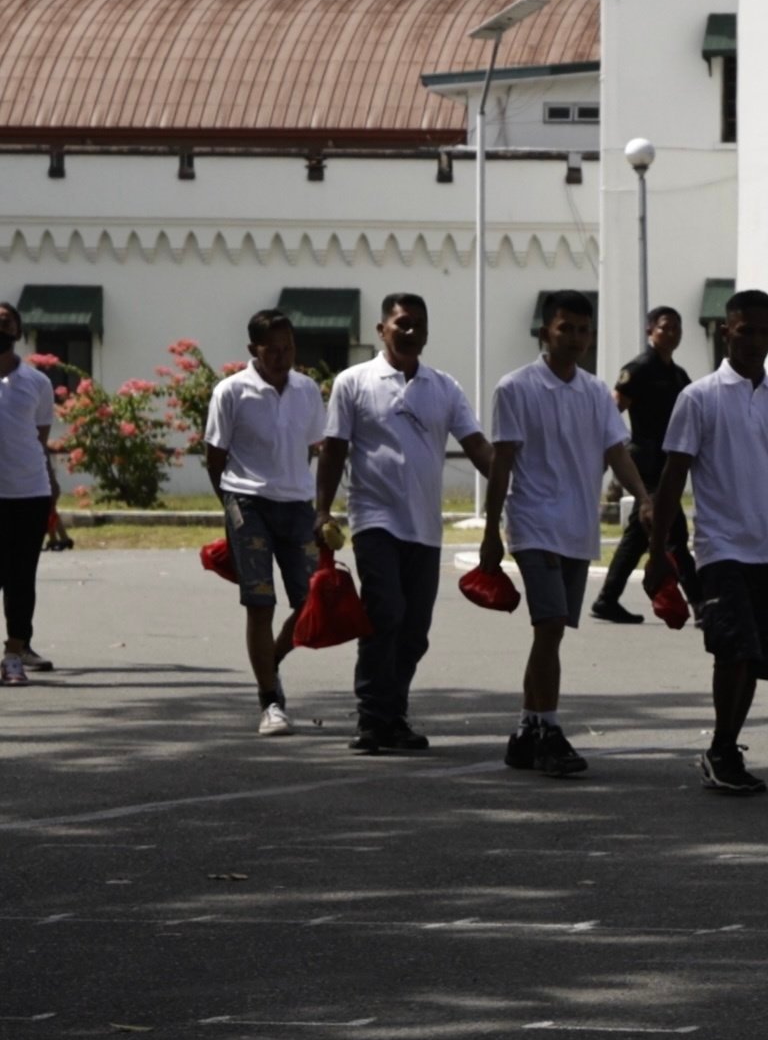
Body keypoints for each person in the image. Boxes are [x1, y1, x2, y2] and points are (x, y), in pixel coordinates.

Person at [650, 291, 768, 795]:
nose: (754, 341)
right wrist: (659, 553)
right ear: (727, 331)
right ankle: (721, 748)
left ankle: (725, 746)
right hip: (721, 550)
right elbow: (671, 479)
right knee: (734, 650)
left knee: (758, 656)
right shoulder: (698, 398)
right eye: (745, 331)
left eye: (764, 332)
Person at [476, 294, 647, 779]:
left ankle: (527, 729)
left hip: (577, 528)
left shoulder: (595, 392)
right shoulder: (515, 388)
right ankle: (549, 730)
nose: (574, 338)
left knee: (551, 635)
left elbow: (617, 451)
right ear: (544, 332)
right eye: (565, 328)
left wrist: (645, 497)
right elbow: (502, 464)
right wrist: (492, 532)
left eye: (582, 330)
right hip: (533, 525)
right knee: (548, 626)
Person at [316, 293, 492, 754]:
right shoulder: (354, 382)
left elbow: (479, 448)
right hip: (375, 518)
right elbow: (334, 448)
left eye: (419, 324)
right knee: (385, 612)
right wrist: (322, 510)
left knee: (414, 630)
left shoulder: (444, 387)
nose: (410, 331)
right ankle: (372, 718)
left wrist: (522, 477)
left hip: (425, 527)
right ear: (382, 330)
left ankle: (393, 714)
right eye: (401, 323)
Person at [203, 307, 326, 734]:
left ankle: (269, 661)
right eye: (272, 349)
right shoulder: (231, 392)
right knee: (260, 602)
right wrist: (232, 508)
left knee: (312, 599)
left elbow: (316, 447)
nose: (282, 357)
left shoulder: (307, 390)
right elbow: (214, 457)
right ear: (253, 349)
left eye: (288, 347)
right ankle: (270, 701)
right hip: (248, 502)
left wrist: (316, 506)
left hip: (297, 504)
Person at [591, 307, 689, 622]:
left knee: (638, 534)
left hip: (668, 460)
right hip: (644, 459)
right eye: (664, 327)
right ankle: (703, 602)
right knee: (673, 528)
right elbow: (612, 409)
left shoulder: (678, 375)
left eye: (676, 327)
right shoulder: (640, 368)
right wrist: (603, 452)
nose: (671, 333)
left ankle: (607, 599)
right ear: (650, 331)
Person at [0, 299, 69, 687]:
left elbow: (38, 440)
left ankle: (14, 653)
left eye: (7, 323)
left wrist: (51, 483)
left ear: (18, 332)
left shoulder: (37, 383)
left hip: (28, 491)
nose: (1, 328)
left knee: (21, 575)